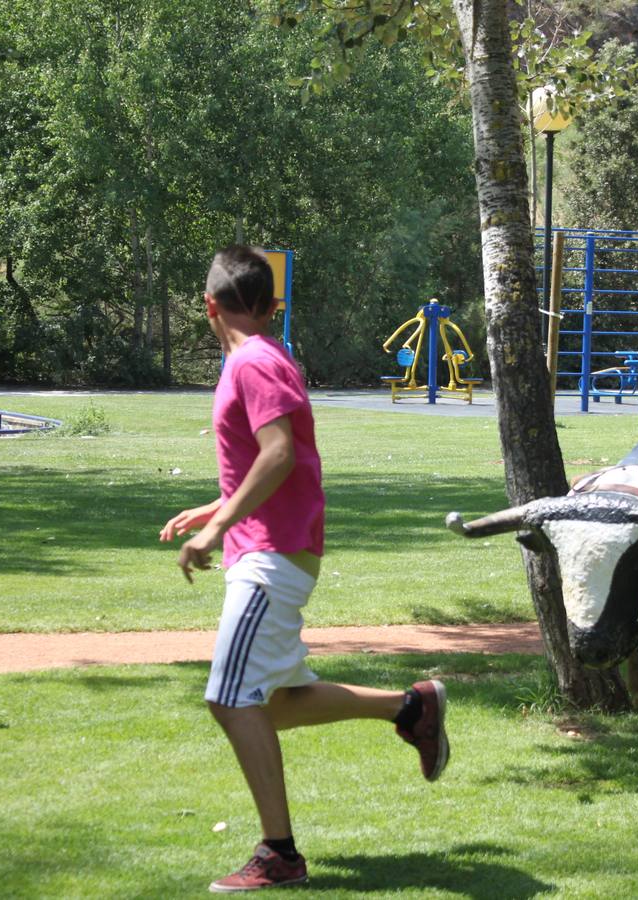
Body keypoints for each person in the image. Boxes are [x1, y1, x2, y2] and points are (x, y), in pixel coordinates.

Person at [161, 245, 449, 893]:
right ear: (269, 305)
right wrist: (211, 506)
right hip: (274, 549)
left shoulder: (254, 362)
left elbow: (281, 455)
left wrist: (215, 529)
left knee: (231, 699)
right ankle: (411, 708)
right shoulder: (263, 358)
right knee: (273, 703)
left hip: (269, 557)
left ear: (209, 306)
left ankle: (280, 854)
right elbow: (268, 464)